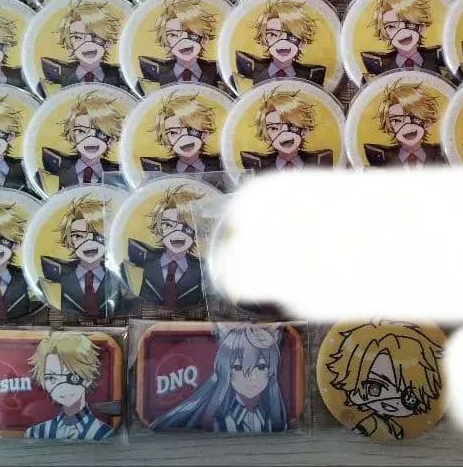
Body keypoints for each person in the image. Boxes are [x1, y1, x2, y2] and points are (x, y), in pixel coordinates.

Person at [151, 325, 290, 432]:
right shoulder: (220, 419)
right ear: (225, 371)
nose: (250, 377)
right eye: (237, 367)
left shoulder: (272, 418)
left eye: (261, 366)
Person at [324, 322, 444, 441]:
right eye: (375, 388)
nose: (392, 401)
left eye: (409, 397)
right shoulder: (369, 424)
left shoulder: (396, 428)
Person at [38, 194, 126, 317]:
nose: (88, 243)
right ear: (69, 241)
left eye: (97, 235)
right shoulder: (55, 282)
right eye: (78, 236)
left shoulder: (122, 278)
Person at [126, 184, 207, 310]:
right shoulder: (145, 261)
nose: (177, 234)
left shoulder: (202, 268)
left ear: (196, 231)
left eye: (186, 227)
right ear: (159, 228)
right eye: (168, 225)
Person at [25, 332, 115, 440]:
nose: (62, 386)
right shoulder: (36, 433)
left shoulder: (105, 434)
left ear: (89, 378)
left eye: (72, 376)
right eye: (52, 378)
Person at [39, 89, 125, 190]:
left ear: (111, 140)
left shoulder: (120, 173)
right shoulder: (57, 165)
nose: (90, 139)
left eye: (101, 133)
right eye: (81, 131)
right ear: (72, 137)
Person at [239, 86, 336, 172]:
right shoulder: (257, 166)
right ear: (267, 136)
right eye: (274, 128)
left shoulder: (321, 162)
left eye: (291, 125)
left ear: (304, 131)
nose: (284, 134)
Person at [234, 0, 325, 85]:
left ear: (302, 44)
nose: (283, 43)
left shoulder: (310, 77)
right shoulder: (252, 73)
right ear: (264, 42)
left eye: (291, 36)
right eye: (273, 34)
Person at [137, 0, 221, 89]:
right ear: (166, 42)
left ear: (204, 40)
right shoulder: (156, 72)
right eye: (173, 35)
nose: (183, 42)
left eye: (191, 34)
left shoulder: (217, 71)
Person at [41, 0, 124, 89]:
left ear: (108, 43)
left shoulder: (120, 75)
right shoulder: (59, 74)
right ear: (69, 45)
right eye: (77, 37)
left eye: (95, 36)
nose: (87, 44)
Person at [139, 89, 225, 179]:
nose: (184, 139)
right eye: (173, 133)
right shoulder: (160, 169)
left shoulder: (220, 164)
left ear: (204, 135)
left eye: (191, 129)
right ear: (167, 140)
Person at [360, 0, 442, 77]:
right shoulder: (381, 67)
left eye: (409, 24)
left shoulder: (438, 61)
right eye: (391, 26)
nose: (402, 33)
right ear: (385, 33)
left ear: (421, 28)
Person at [363, 78, 445, 167]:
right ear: (390, 127)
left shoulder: (442, 153)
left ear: (427, 123)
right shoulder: (380, 157)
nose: (407, 127)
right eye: (396, 120)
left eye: (414, 118)